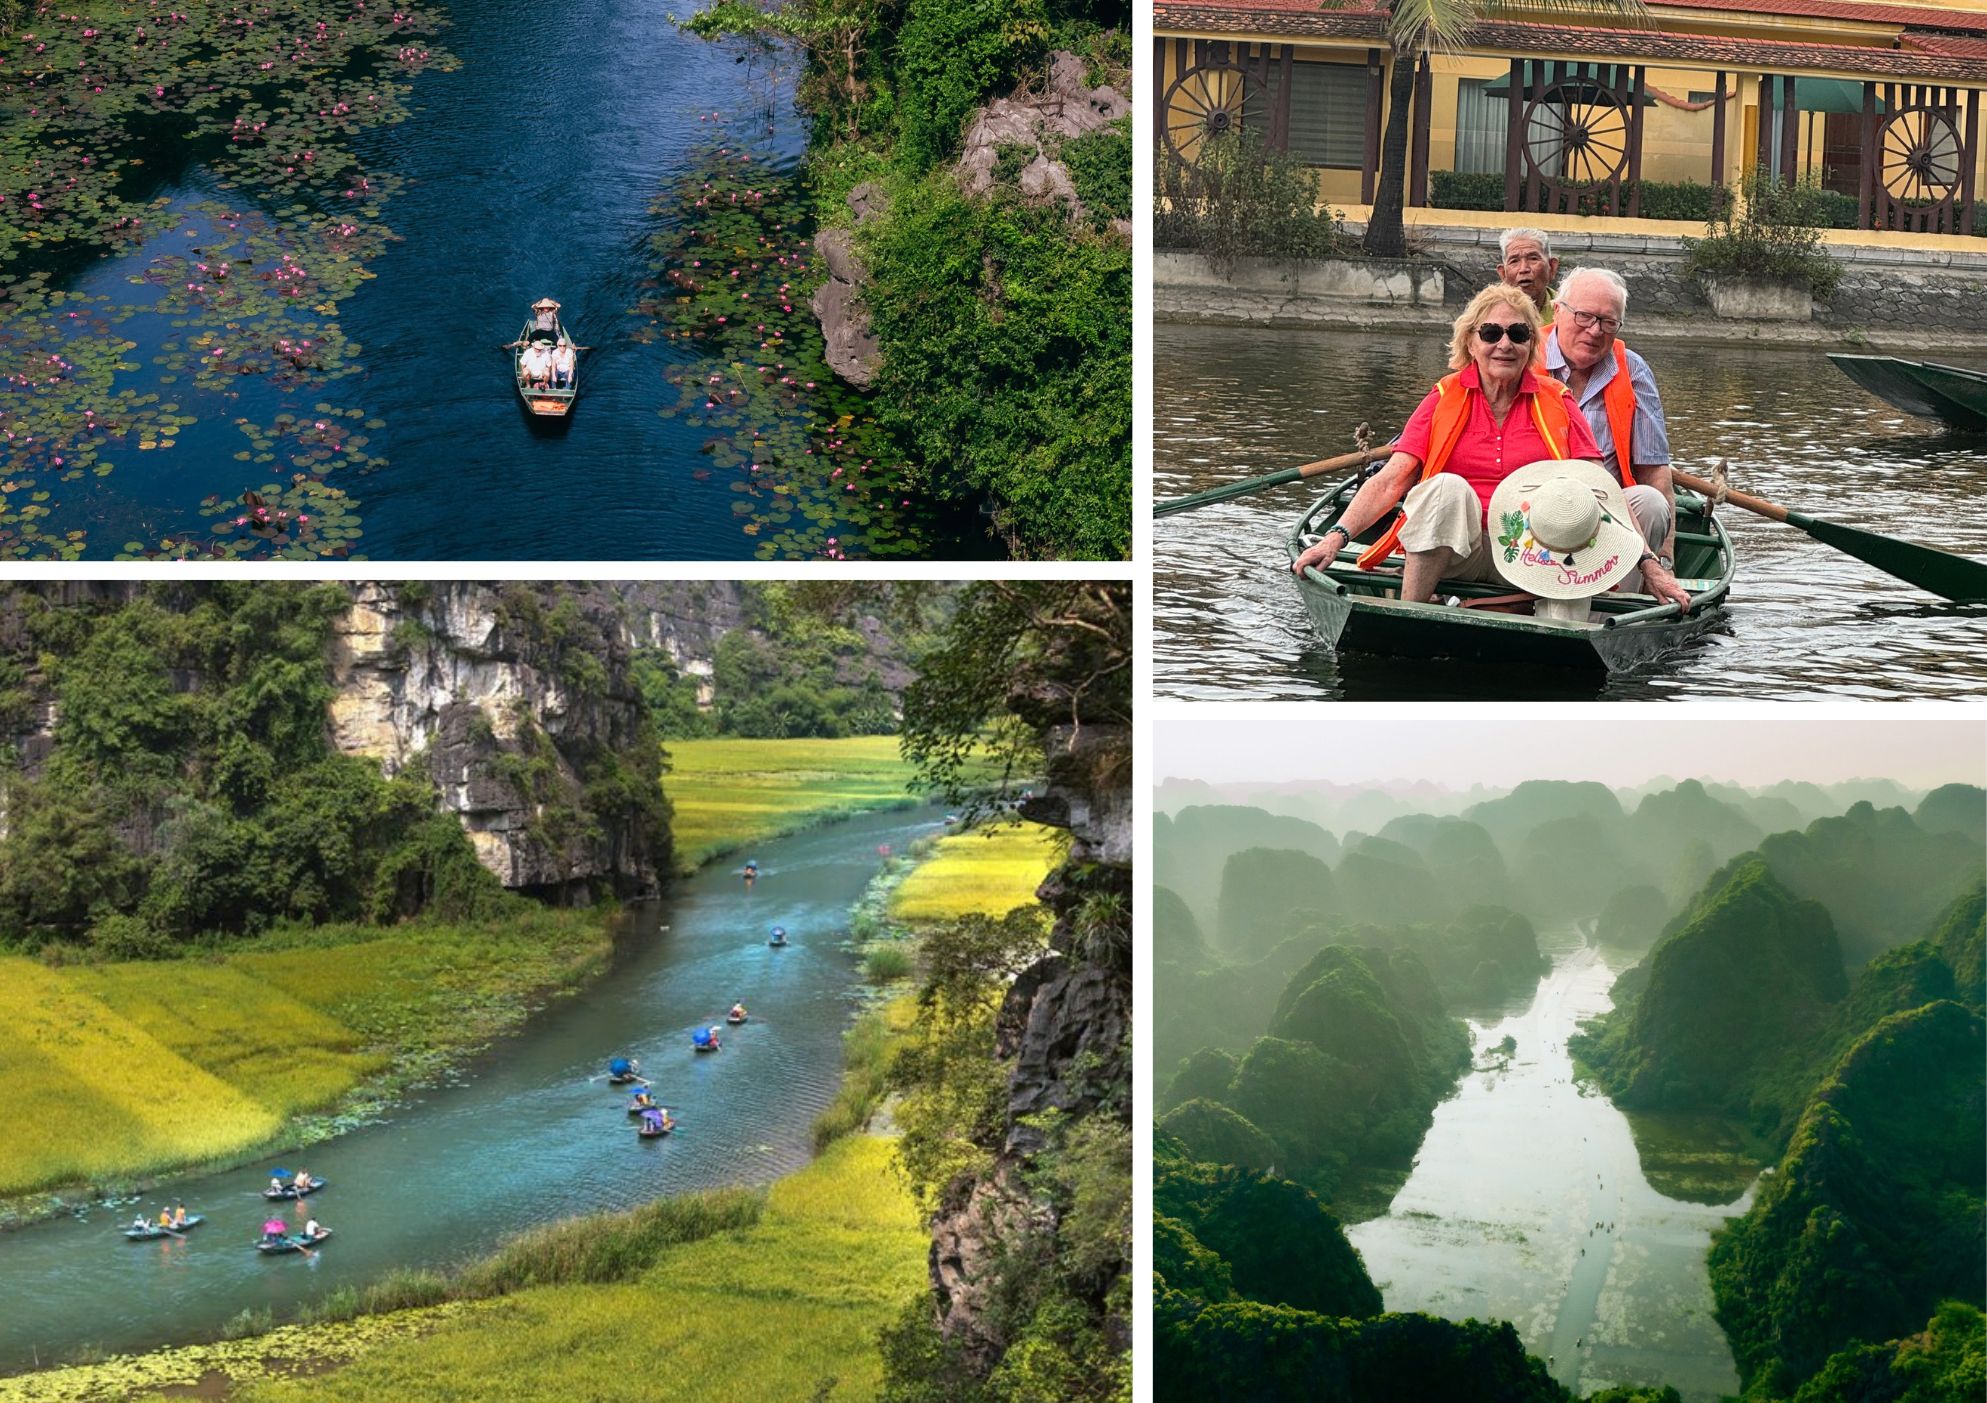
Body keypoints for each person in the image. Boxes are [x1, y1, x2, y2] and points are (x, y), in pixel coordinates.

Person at [1291, 283, 1602, 601]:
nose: (1505, 344)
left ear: (1531, 343)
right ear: (1470, 341)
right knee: (1445, 487)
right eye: (1491, 333)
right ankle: (1411, 614)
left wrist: (1647, 561)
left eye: (1518, 334)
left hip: (1533, 555)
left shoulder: (1558, 400)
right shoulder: (1443, 397)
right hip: (1457, 552)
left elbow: (1600, 487)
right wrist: (1334, 538)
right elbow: (1391, 480)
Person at [1543, 267, 1690, 607]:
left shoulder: (1633, 369)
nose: (1594, 331)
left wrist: (1665, 558)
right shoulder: (1521, 352)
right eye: (1583, 317)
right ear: (1559, 311)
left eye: (1608, 323)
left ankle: (1613, 606)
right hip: (1530, 506)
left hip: (1606, 511)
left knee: (1651, 502)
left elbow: (1655, 473)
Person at [1497, 228, 1559, 315]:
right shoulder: (1485, 315)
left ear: (1552, 267)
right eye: (1514, 261)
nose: (1523, 269)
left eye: (1533, 259)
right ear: (1503, 273)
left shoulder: (1570, 310)